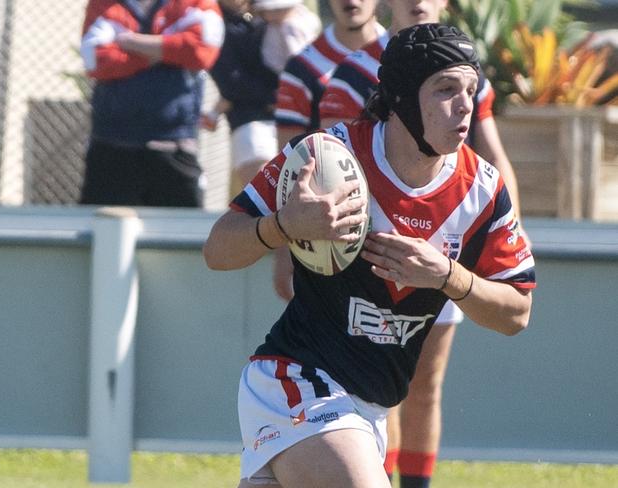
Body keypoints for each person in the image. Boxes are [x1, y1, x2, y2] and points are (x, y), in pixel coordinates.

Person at [203, 23, 535, 488]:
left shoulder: (483, 192)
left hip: (371, 411)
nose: (464, 106)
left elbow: (516, 313)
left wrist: (448, 277)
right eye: (445, 90)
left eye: (470, 90)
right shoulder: (327, 158)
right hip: (296, 383)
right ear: (399, 96)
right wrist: (283, 227)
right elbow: (218, 249)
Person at [318, 2, 525, 485]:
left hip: (447, 239)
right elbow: (319, 161)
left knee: (425, 385)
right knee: (380, 380)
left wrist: (511, 225)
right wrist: (293, 242)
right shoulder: (354, 70)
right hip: (365, 247)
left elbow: (493, 155)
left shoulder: (466, 66)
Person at [272, 0, 385, 300]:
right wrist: (285, 249)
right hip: (327, 233)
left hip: (392, 230)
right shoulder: (302, 68)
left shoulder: (404, 57)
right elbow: (286, 162)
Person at [79, 0, 224, 207]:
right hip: (111, 143)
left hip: (174, 144)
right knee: (103, 229)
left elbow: (202, 49)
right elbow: (95, 58)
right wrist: (165, 52)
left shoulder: (195, 3)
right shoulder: (104, 4)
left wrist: (131, 42)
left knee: (179, 233)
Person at [203, 0, 281, 198]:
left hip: (286, 120)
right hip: (249, 121)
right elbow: (231, 83)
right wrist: (275, 96)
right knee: (265, 194)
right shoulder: (216, 21)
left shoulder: (270, 13)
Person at [253, 0, 322, 75]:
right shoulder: (272, 25)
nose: (266, 14)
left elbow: (297, 52)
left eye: (276, 10)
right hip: (274, 70)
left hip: (290, 73)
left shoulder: (291, 26)